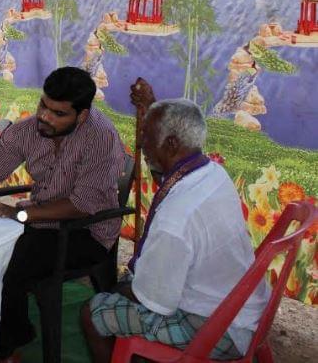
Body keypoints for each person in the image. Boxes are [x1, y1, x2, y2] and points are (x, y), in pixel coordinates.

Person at [0, 66, 125, 362]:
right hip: (39, 219)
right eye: (43, 106)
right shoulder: (28, 130)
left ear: (81, 116)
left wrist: (21, 215)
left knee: (13, 257)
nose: (45, 117)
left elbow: (81, 204)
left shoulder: (100, 137)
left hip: (87, 230)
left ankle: (8, 345)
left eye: (58, 113)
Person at [80, 80, 270, 362]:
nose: (141, 143)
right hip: (246, 309)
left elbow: (155, 300)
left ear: (170, 143)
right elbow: (163, 175)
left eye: (147, 136)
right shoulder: (211, 173)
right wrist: (149, 107)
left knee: (94, 312)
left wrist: (118, 289)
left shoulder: (175, 219)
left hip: (217, 328)